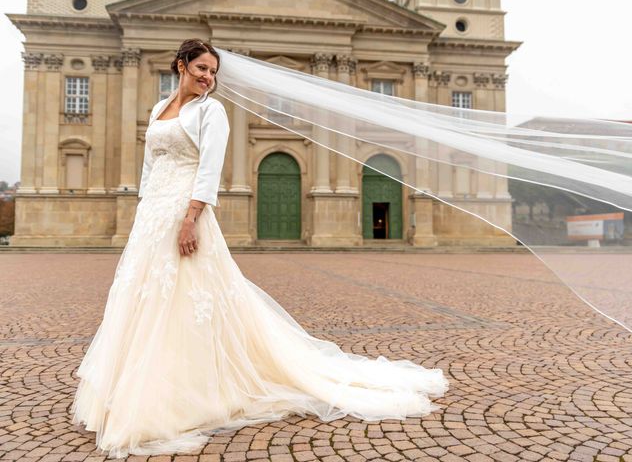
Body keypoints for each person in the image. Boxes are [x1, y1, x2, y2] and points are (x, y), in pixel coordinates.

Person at [70, 38, 449, 458]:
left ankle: (185, 392)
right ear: (181, 66)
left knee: (185, 298)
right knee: (145, 297)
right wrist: (145, 210)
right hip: (154, 215)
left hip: (184, 213)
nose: (207, 78)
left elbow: (210, 168)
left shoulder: (211, 111)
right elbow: (150, 165)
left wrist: (191, 217)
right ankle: (137, 385)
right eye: (201, 69)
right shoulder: (158, 111)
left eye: (212, 72)